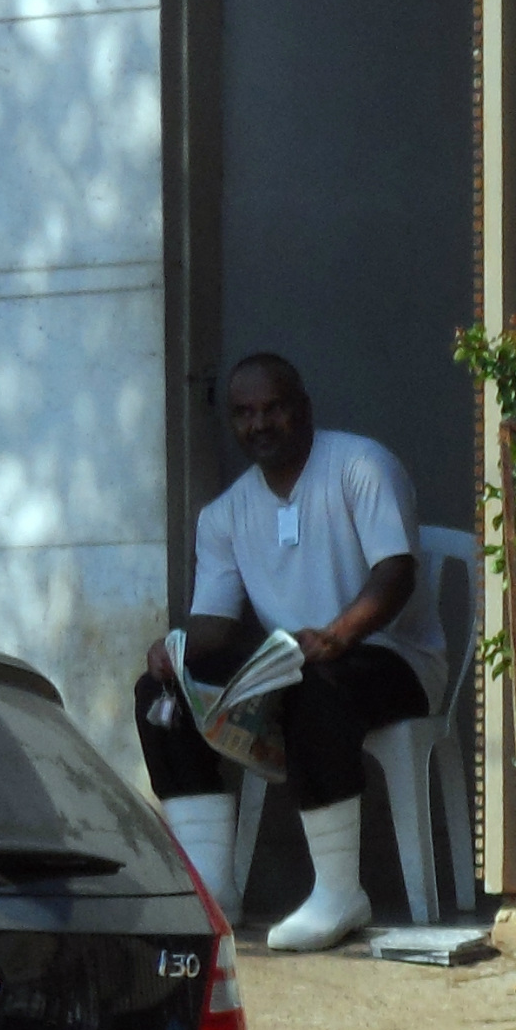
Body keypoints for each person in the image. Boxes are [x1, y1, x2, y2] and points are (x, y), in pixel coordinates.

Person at [134, 354, 443, 951]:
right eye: (244, 414)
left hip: (393, 659)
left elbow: (396, 573)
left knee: (316, 685)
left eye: (272, 407)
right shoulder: (224, 514)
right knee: (159, 693)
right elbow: (216, 627)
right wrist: (174, 649)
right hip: (299, 666)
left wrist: (337, 634)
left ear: (302, 407)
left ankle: (339, 893)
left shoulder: (360, 465)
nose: (259, 424)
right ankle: (211, 887)